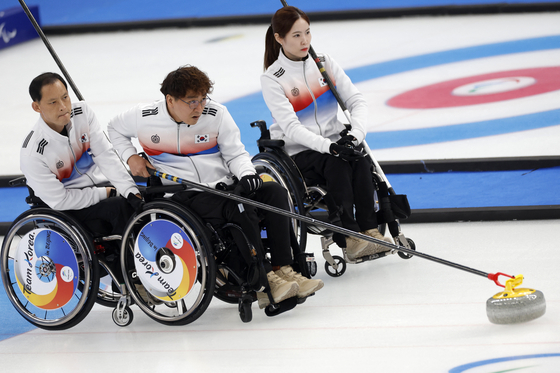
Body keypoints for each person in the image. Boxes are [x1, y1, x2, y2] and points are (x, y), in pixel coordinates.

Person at [107, 65, 323, 309]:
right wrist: (130, 157)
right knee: (238, 207)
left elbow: (235, 153)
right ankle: (264, 281)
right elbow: (113, 129)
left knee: (274, 192)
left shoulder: (216, 114)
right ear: (170, 99)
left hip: (223, 186)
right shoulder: (144, 117)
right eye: (191, 102)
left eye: (202, 99)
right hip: (182, 195)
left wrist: (246, 174)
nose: (198, 107)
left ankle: (284, 268)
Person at [261, 6, 391, 260]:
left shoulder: (324, 63)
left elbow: (356, 101)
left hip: (336, 142)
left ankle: (370, 230)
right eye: (296, 35)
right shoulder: (273, 78)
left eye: (307, 32)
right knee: (338, 163)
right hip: (301, 151)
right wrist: (330, 147)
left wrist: (355, 136)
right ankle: (350, 237)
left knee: (360, 159)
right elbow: (292, 128)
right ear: (279, 38)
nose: (305, 41)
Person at [21, 72, 143, 290]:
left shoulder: (82, 113)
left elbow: (106, 156)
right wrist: (106, 193)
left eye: (65, 97)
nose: (63, 106)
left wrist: (129, 189)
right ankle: (127, 277)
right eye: (53, 102)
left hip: (98, 188)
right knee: (119, 207)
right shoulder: (33, 152)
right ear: (36, 107)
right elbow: (59, 201)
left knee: (143, 197)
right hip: (68, 207)